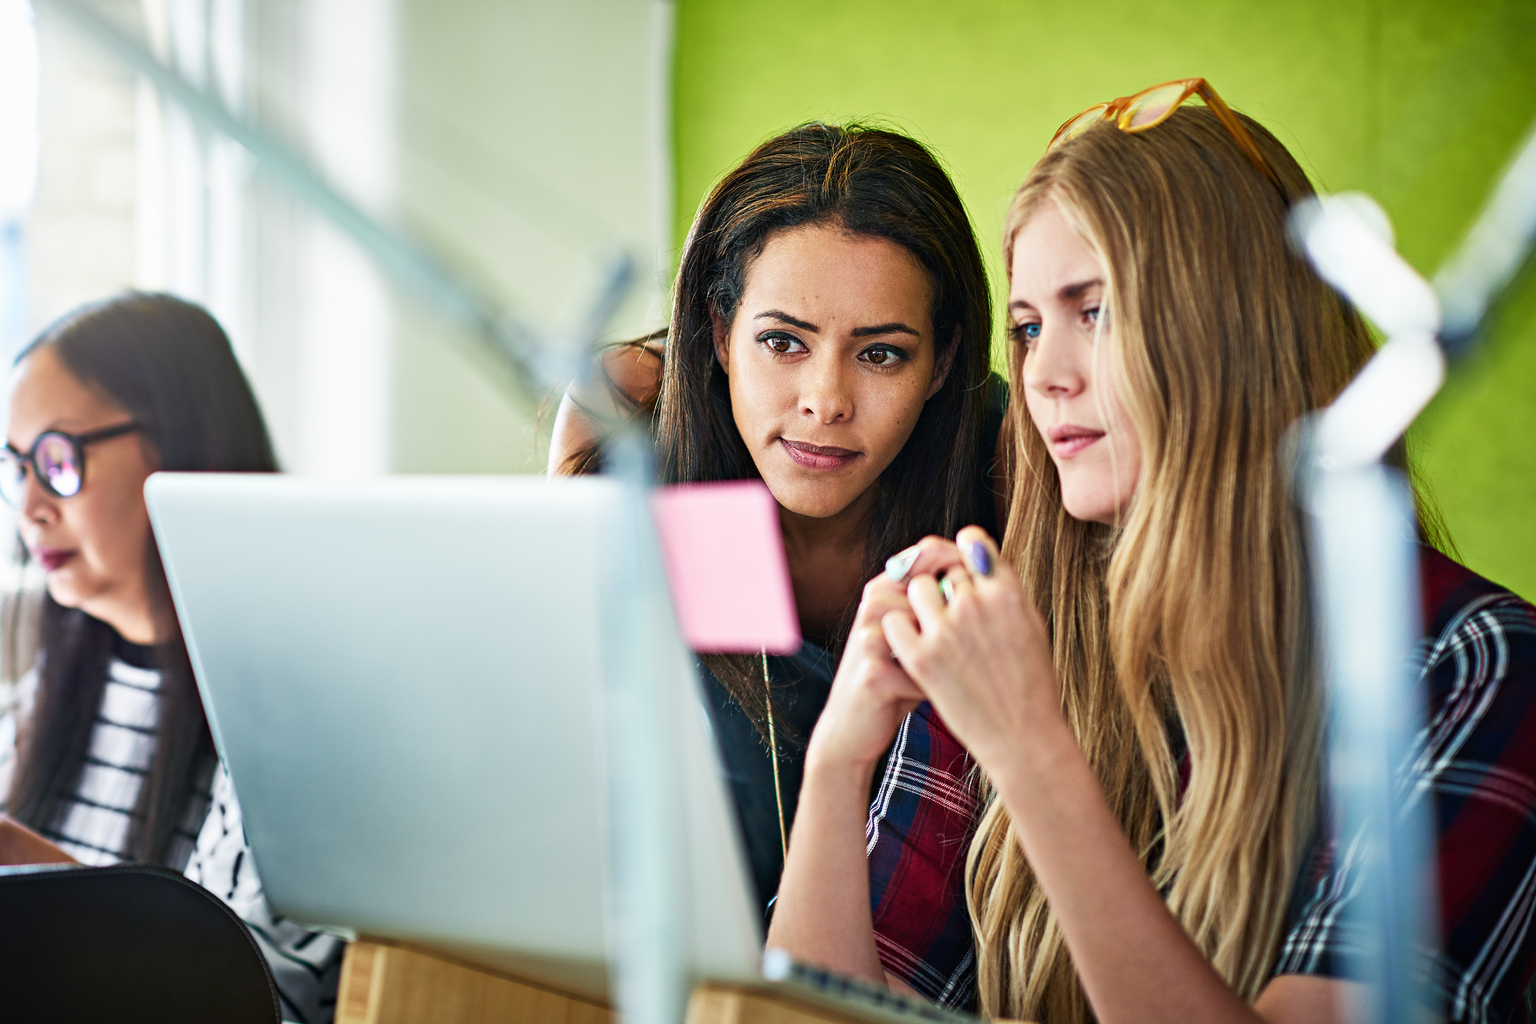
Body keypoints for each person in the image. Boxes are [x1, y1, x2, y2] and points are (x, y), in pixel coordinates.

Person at [768, 80, 1536, 1024]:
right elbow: (819, 1009)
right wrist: (839, 765)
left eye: (1095, 311)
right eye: (1029, 326)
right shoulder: (1009, 631)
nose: (1044, 375)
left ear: (1233, 327)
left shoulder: (1472, 663)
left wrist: (1031, 752)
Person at [550, 122, 1006, 914]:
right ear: (720, 334)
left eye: (882, 354)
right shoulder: (629, 414)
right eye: (783, 342)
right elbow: (557, 719)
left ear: (941, 363)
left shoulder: (1002, 460)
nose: (825, 401)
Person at [0, 293, 344, 1023]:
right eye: (17, 464)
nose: (28, 505)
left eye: (58, 460)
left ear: (185, 443)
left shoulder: (286, 707)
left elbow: (264, 1004)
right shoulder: (49, 688)